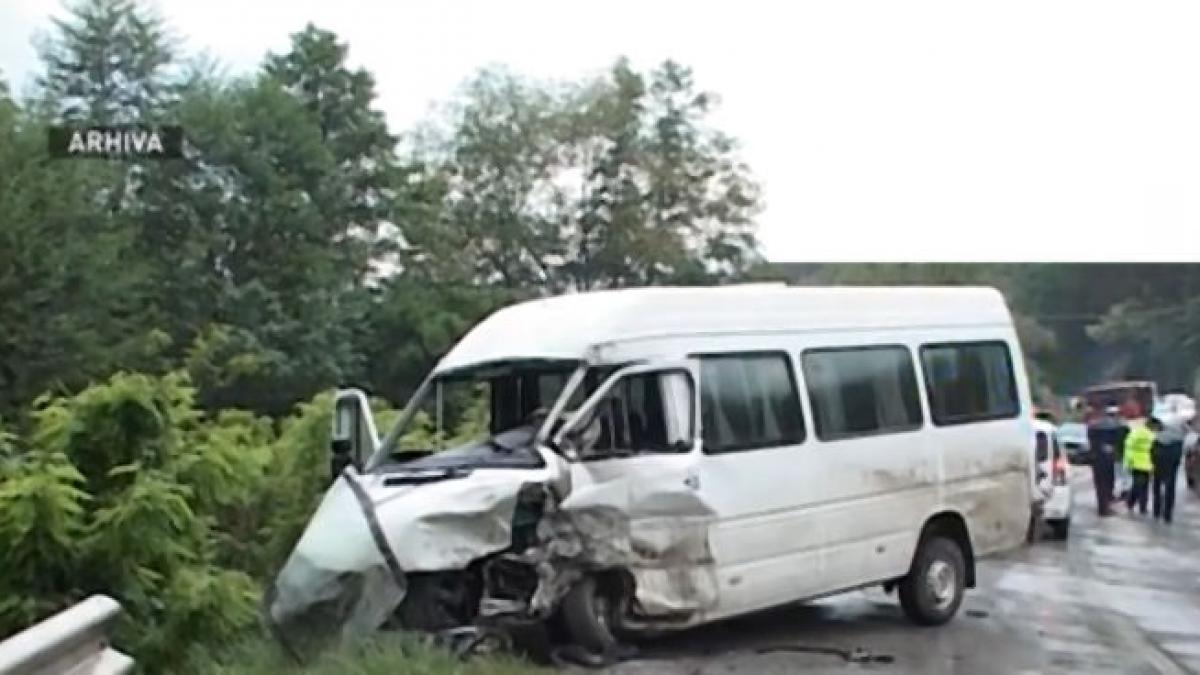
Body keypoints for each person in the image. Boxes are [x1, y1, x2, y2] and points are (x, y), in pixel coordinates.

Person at [1087, 406, 1127, 516]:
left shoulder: (1094, 426)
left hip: (1097, 459)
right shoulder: (1119, 426)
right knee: (1108, 483)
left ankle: (1102, 507)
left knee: (1100, 484)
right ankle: (1106, 507)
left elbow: (1091, 441)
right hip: (1109, 459)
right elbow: (1123, 441)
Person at [1152, 418, 1186, 523]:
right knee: (1170, 485)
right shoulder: (1180, 423)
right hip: (1173, 453)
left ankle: (1156, 510)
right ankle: (1167, 514)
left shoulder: (1159, 420)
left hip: (1159, 452)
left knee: (1157, 483)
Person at [1123, 416, 1157, 515]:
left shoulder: (1150, 434)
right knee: (1139, 485)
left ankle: (1142, 506)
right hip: (1137, 463)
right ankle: (1132, 502)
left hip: (1145, 464)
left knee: (1143, 486)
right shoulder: (1140, 433)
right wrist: (1128, 461)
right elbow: (1129, 446)